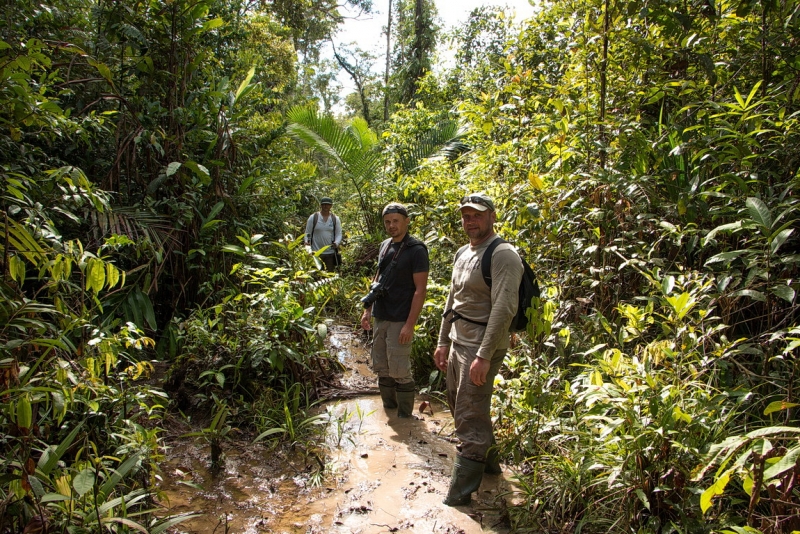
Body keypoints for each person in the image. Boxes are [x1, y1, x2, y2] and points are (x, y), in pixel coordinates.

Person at [433, 193, 524, 506]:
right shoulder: (463, 252)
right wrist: (442, 340)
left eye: (477, 215)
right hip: (459, 339)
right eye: (466, 215)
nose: (470, 221)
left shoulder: (503, 255)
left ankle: (458, 497)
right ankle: (492, 470)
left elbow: (504, 307)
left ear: (492, 217)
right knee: (461, 404)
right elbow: (452, 299)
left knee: (469, 414)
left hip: (482, 345)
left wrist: (484, 356)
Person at [360, 203, 429, 418]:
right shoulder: (384, 246)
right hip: (381, 316)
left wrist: (409, 325)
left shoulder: (416, 250)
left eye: (396, 221)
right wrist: (367, 310)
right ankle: (389, 413)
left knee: (400, 369)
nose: (391, 226)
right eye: (387, 222)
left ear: (406, 221)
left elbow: (420, 290)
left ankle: (405, 419)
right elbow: (377, 280)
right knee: (381, 365)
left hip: (401, 317)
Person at [304, 197, 343, 271]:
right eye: (324, 204)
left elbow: (339, 234)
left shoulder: (335, 219)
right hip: (316, 252)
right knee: (316, 275)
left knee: (329, 274)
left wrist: (336, 243)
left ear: (331, 206)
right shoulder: (313, 217)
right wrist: (307, 243)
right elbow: (307, 233)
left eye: (327, 205)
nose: (325, 206)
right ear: (321, 205)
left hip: (330, 253)